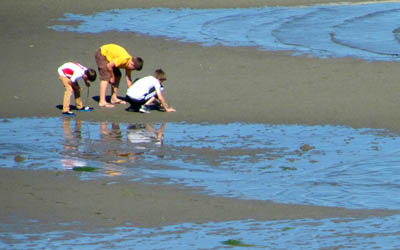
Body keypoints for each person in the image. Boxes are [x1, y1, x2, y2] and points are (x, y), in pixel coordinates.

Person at [94, 43, 143, 108]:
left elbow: (128, 79)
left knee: (118, 76)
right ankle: (102, 101)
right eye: (133, 69)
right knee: (105, 77)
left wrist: (132, 93)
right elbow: (109, 66)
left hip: (111, 59)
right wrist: (112, 76)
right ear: (132, 64)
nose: (132, 70)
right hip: (102, 54)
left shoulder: (129, 64)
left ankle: (113, 98)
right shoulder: (124, 59)